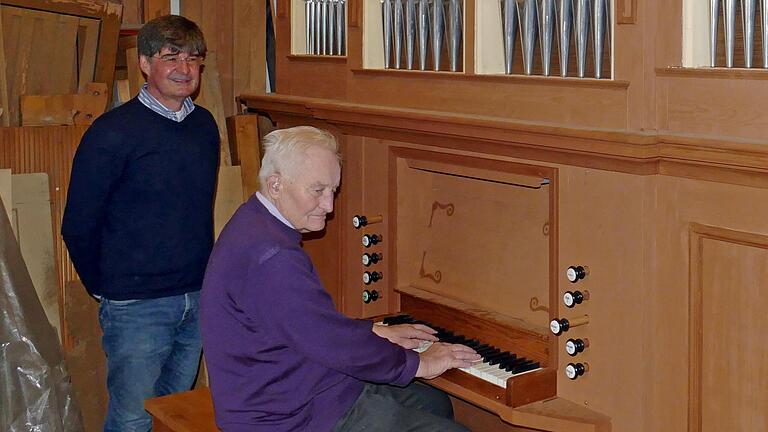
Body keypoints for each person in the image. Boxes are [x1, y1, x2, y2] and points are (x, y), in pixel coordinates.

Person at [200, 126, 480, 432]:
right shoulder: (272, 257)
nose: (329, 206)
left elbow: (309, 325)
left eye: (333, 190)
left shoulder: (253, 221)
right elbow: (327, 340)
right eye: (317, 190)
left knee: (434, 402)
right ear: (276, 184)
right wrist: (419, 364)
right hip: (287, 418)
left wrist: (375, 332)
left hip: (296, 386)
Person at [61, 15, 219, 432]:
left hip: (197, 295)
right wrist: (109, 286)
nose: (185, 69)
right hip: (137, 305)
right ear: (145, 64)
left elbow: (197, 209)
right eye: (171, 57)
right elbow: (77, 223)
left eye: (193, 58)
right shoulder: (112, 133)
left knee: (175, 413)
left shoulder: (204, 127)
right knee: (132, 419)